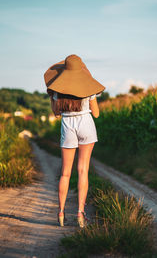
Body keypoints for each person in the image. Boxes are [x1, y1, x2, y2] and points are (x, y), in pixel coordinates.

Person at [44, 54, 105, 228]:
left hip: (67, 126)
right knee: (83, 170)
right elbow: (97, 114)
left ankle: (61, 213)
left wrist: (52, 97)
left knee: (65, 173)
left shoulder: (58, 91)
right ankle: (80, 213)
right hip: (86, 123)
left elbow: (56, 114)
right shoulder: (89, 89)